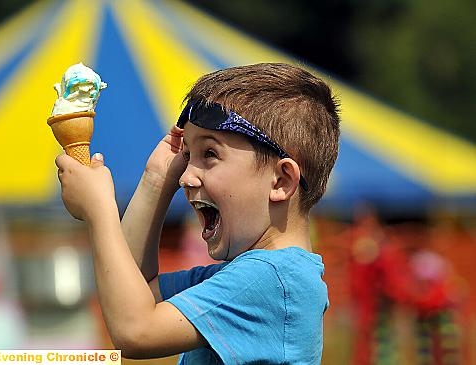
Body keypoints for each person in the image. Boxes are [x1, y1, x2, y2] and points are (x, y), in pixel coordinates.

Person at [55, 63, 340, 364]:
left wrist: (101, 210)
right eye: (187, 155)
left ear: (281, 181)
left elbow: (135, 331)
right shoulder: (246, 275)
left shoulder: (272, 280)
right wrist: (155, 181)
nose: (185, 176)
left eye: (210, 154)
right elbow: (137, 290)